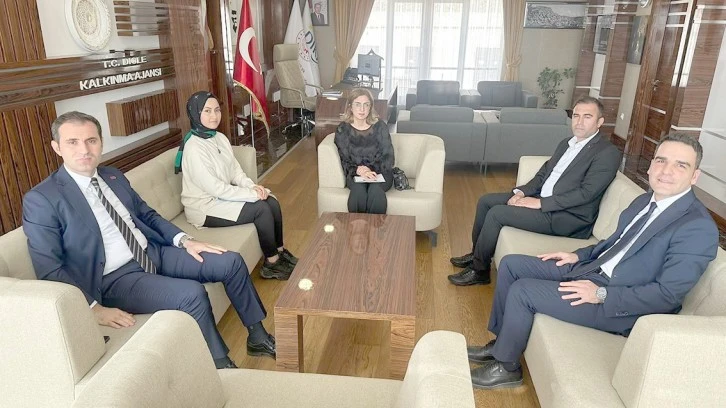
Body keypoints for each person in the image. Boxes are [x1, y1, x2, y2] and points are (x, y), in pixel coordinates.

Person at [22, 111, 275, 370]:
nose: (84, 150)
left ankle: (257, 337)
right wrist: (94, 308)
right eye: (73, 142)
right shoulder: (43, 199)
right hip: (114, 279)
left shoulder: (112, 176)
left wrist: (185, 240)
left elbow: (146, 215)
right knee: (192, 294)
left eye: (91, 140)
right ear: (57, 147)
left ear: (101, 143)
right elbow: (49, 268)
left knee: (230, 261)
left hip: (151, 252)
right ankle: (221, 367)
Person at [466, 133, 718, 389]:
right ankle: (500, 344)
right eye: (661, 161)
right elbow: (615, 243)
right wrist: (578, 255)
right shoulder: (645, 200)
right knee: (511, 265)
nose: (666, 171)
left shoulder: (697, 227)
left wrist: (601, 294)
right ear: (651, 165)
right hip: (595, 270)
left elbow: (667, 295)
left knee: (523, 292)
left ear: (694, 176)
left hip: (622, 303)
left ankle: (507, 367)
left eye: (680, 165)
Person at [448, 96, 621, 286]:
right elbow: (544, 173)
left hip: (567, 217)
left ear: (600, 122)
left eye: (587, 117)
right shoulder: (567, 143)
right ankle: (476, 254)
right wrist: (522, 193)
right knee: (486, 201)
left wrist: (540, 203)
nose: (579, 122)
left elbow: (586, 193)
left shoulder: (607, 153)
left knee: (497, 214)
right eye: (576, 116)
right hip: (544, 200)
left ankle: (480, 271)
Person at [176, 91, 297, 280]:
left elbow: (234, 171)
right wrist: (251, 195)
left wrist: (253, 187)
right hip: (204, 207)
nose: (214, 116)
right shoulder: (194, 149)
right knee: (261, 209)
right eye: (207, 111)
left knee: (271, 201)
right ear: (195, 114)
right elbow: (215, 189)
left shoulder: (219, 138)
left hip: (221, 199)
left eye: (217, 110)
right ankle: (271, 263)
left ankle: (280, 252)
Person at [334, 88, 395, 214]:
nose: (362, 109)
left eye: (366, 105)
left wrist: (369, 170)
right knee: (358, 191)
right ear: (350, 107)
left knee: (375, 191)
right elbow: (344, 160)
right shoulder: (343, 129)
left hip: (381, 172)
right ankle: (357, 225)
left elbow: (389, 157)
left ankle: (375, 226)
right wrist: (358, 170)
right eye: (357, 104)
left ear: (370, 107)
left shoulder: (380, 126)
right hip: (356, 174)